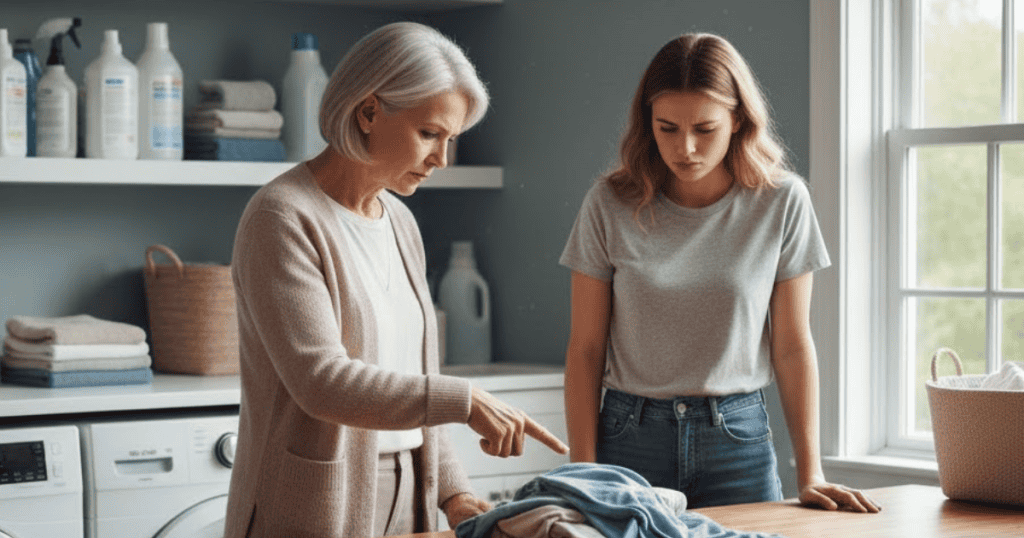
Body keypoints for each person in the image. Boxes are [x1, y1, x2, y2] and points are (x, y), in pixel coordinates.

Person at [224, 22, 568, 538]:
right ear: (368, 113)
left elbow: (411, 375)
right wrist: (466, 400)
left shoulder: (401, 221)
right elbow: (322, 381)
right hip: (313, 503)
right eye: (429, 133)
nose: (441, 159)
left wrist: (454, 494)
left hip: (412, 490)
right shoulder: (281, 217)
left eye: (450, 139)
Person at [559, 33, 880, 512]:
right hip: (629, 439)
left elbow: (792, 345)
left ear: (738, 121)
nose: (684, 148)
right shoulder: (609, 202)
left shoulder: (782, 201)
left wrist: (810, 472)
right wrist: (583, 473)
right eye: (666, 127)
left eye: (704, 129)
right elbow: (585, 349)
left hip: (738, 440)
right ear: (647, 123)